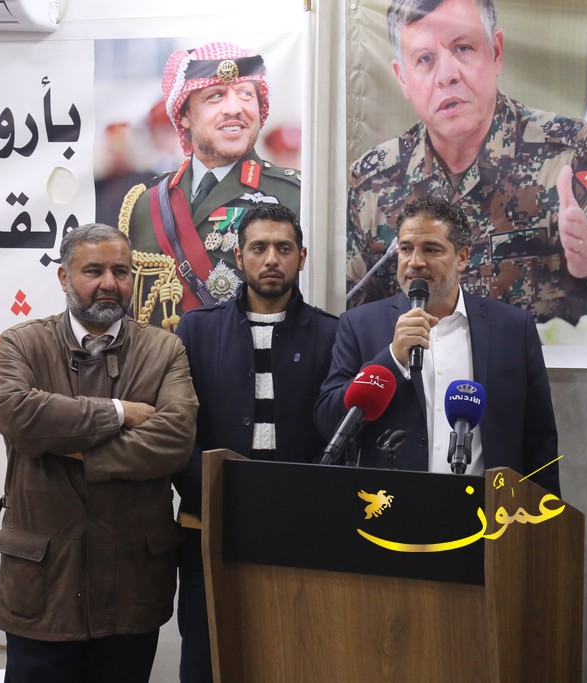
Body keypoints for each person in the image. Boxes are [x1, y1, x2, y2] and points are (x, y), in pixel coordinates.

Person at [347, 0, 587, 339]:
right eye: (425, 59)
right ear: (402, 78)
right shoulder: (372, 182)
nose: (447, 75)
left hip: (545, 370)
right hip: (416, 369)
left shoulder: (569, 154)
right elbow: (341, 310)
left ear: (496, 53)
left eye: (463, 48)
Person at [0, 223, 198, 683]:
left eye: (120, 271)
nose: (109, 283)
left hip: (131, 589)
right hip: (43, 589)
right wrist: (119, 412)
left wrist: (79, 452)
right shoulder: (22, 343)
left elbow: (176, 440)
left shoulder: (164, 350)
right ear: (64, 277)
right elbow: (18, 415)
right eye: (93, 271)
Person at [171, 204, 337, 683]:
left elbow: (338, 436)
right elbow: (179, 432)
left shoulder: (331, 333)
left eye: (283, 248)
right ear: (239, 257)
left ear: (302, 257)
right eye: (259, 248)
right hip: (210, 525)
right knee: (207, 656)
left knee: (294, 655)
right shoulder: (198, 330)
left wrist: (300, 500)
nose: (271, 259)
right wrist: (212, 493)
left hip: (300, 529)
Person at [316, 196, 559, 494]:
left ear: (462, 257)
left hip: (488, 510)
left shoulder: (512, 328)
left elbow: (540, 437)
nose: (415, 262)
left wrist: (546, 514)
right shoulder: (359, 324)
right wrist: (392, 358)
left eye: (431, 249)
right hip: (390, 507)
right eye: (406, 249)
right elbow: (329, 421)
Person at [119, 41, 302, 331]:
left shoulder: (296, 195)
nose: (235, 109)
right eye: (216, 96)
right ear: (184, 115)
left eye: (246, 94)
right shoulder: (145, 203)